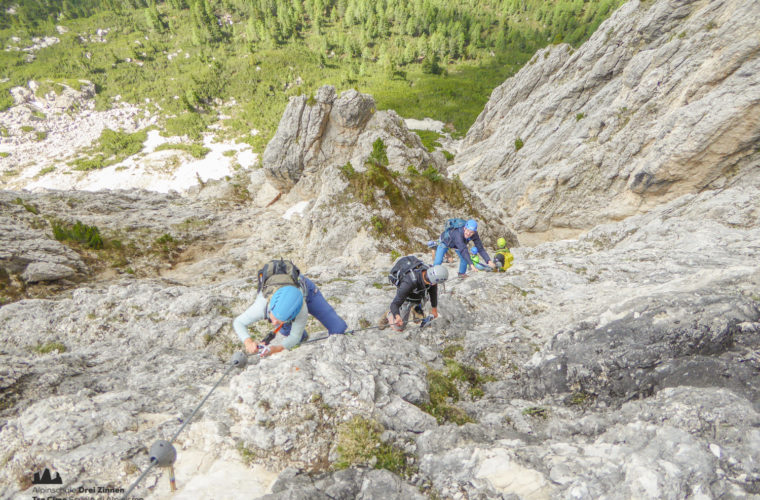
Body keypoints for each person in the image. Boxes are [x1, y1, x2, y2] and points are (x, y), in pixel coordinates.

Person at [233, 260, 347, 357]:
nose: (274, 323)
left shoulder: (302, 311)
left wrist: (277, 348)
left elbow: (294, 336)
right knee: (287, 330)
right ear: (271, 307)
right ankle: (302, 335)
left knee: (338, 328)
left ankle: (294, 329)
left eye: (278, 320)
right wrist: (248, 341)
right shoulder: (262, 305)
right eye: (273, 317)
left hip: (308, 291)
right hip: (288, 294)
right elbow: (238, 322)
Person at [380, 259, 449, 331]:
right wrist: (397, 316)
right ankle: (389, 314)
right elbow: (395, 304)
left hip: (419, 292)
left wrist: (434, 309)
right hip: (407, 297)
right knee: (399, 328)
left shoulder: (430, 274)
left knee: (418, 318)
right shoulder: (408, 283)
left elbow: (433, 292)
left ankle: (415, 308)